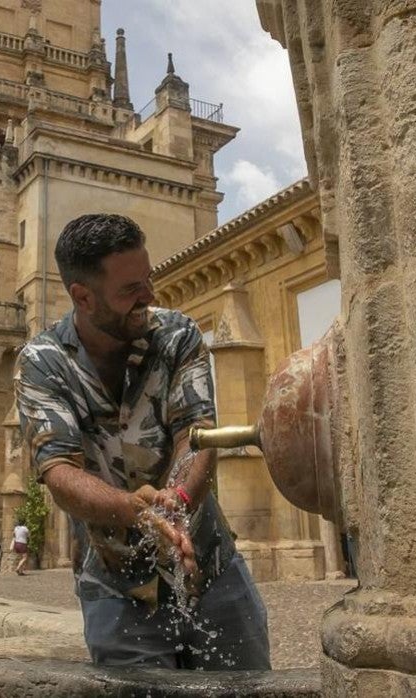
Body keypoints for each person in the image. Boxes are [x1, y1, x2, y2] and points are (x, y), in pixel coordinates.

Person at [15, 213, 270, 670]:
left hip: (209, 568)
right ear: (83, 297)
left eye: (147, 279)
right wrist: (136, 510)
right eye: (131, 289)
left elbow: (196, 433)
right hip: (116, 588)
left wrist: (178, 498)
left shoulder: (177, 334)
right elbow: (59, 471)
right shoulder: (42, 363)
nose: (149, 295)